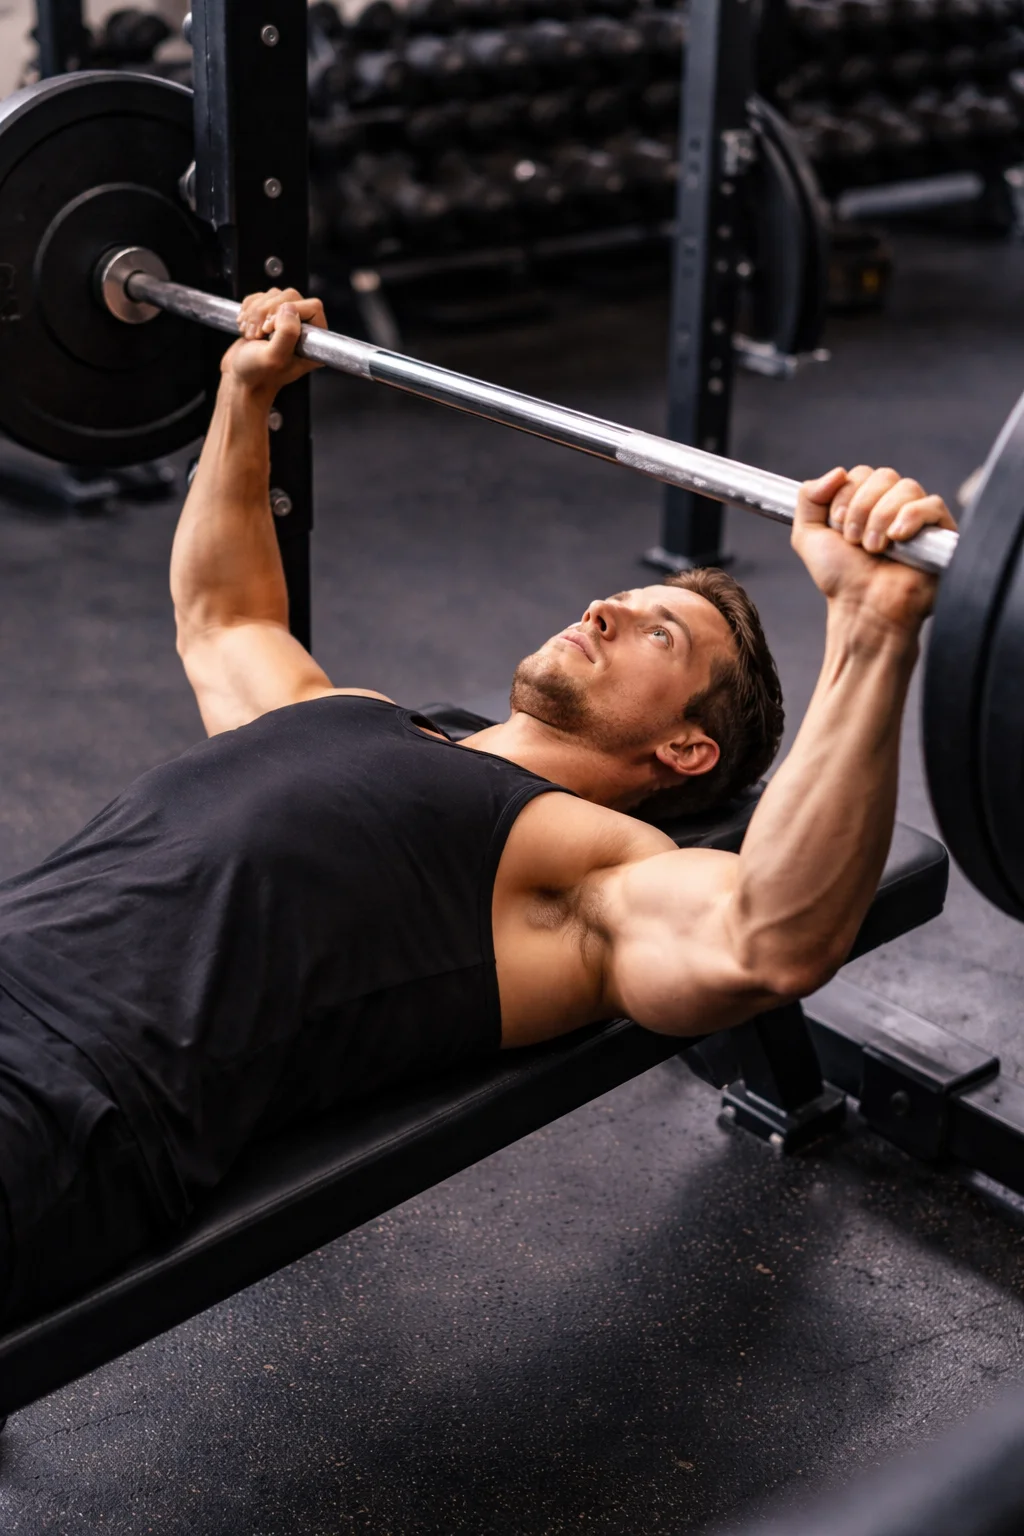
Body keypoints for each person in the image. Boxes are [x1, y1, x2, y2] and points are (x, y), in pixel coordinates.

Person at [0, 290, 957, 1326]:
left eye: (658, 635)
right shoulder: (346, 715)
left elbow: (765, 940)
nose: (605, 606)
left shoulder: (583, 867)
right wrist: (247, 390)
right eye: (627, 600)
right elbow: (222, 617)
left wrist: (868, 628)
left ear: (686, 748)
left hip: (67, 1101)